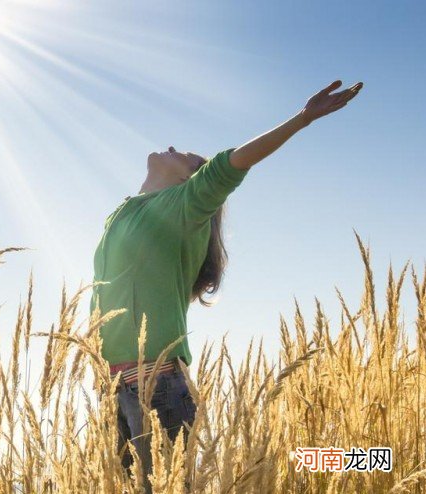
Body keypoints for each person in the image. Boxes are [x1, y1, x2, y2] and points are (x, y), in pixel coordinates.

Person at [90, 80, 363, 492]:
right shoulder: (122, 214)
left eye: (181, 155)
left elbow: (231, 165)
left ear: (190, 180)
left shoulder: (185, 207)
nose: (170, 147)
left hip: (157, 387)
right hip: (115, 389)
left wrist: (302, 119)